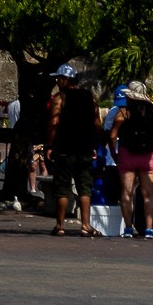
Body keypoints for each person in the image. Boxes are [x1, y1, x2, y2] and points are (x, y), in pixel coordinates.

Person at [44, 64, 99, 237]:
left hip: (65, 149)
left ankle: (59, 225)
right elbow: (97, 123)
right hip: (84, 149)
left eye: (59, 78)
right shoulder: (90, 97)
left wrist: (50, 144)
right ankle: (85, 225)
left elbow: (53, 122)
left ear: (66, 80)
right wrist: (93, 144)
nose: (57, 81)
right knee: (85, 188)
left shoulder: (60, 98)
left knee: (62, 188)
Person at [110, 79, 153, 239]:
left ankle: (128, 228)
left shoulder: (124, 112)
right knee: (149, 194)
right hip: (148, 156)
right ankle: (149, 228)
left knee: (127, 193)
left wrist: (115, 154)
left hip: (128, 155)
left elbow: (112, 136)